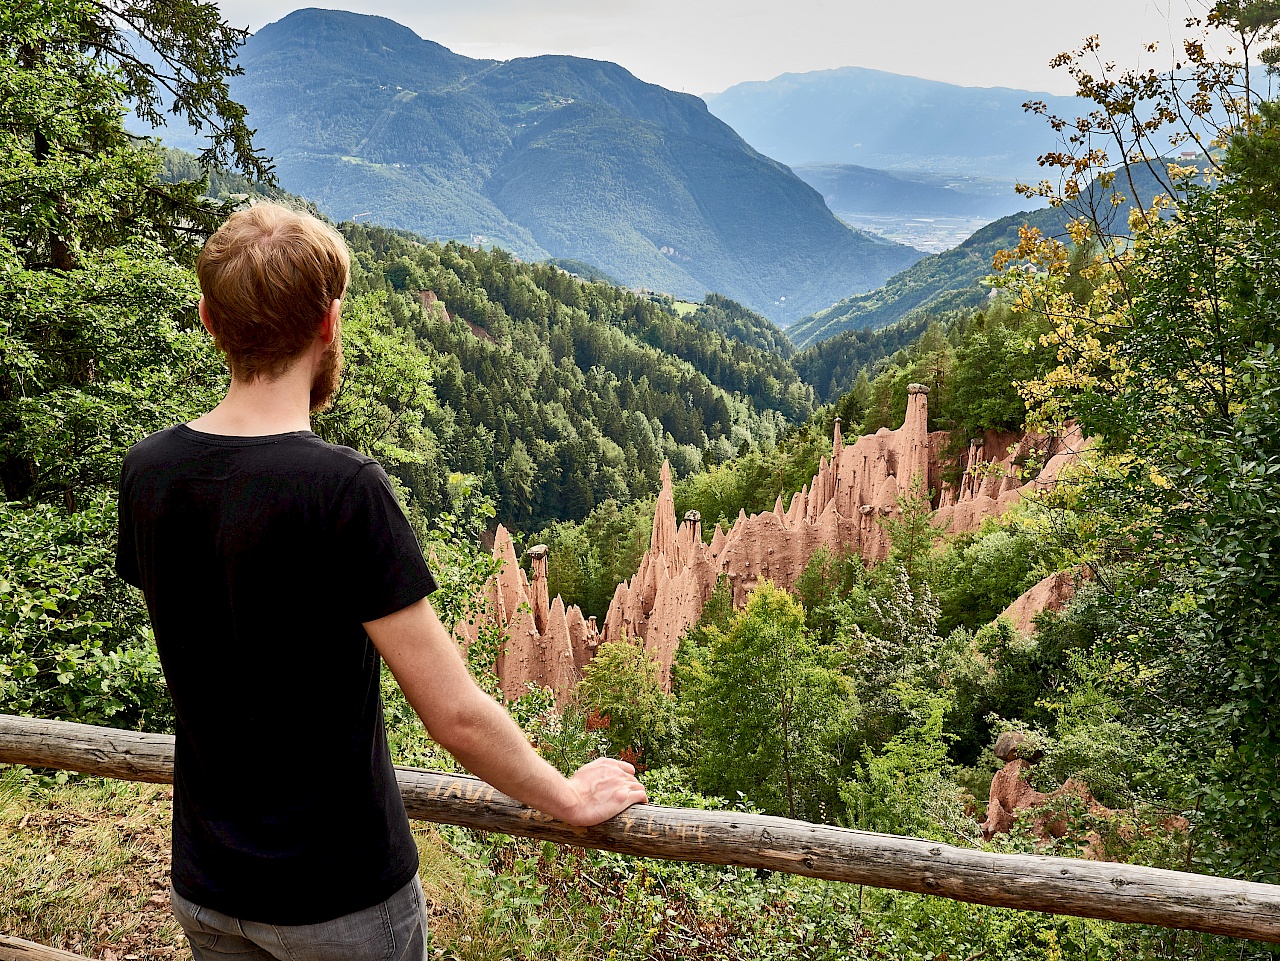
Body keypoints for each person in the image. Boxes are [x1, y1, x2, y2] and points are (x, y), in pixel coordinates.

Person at [115, 203, 647, 960]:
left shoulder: (148, 471)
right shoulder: (342, 489)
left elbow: (212, 638)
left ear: (208, 319)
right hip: (341, 896)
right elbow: (453, 714)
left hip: (207, 886)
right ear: (330, 324)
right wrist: (566, 794)